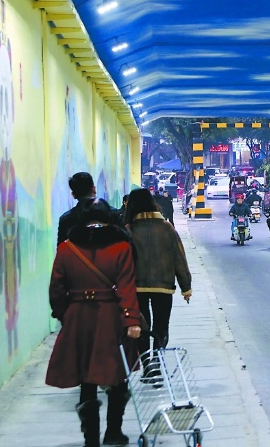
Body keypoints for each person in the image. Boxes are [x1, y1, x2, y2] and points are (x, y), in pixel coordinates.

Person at [46, 198, 142, 447]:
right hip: (111, 316)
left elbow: (56, 287)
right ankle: (113, 433)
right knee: (116, 375)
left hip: (78, 317)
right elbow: (126, 287)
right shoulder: (121, 247)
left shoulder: (67, 248)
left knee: (86, 378)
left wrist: (64, 314)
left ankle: (91, 439)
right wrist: (131, 319)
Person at [124, 189, 192, 359]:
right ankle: (157, 360)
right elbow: (179, 258)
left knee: (142, 326)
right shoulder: (167, 228)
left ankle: (147, 363)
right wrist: (186, 287)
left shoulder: (128, 230)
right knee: (161, 326)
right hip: (163, 286)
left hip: (137, 287)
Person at [57, 172, 98, 245]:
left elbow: (61, 249)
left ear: (73, 195)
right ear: (94, 189)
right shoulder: (112, 214)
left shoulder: (65, 220)